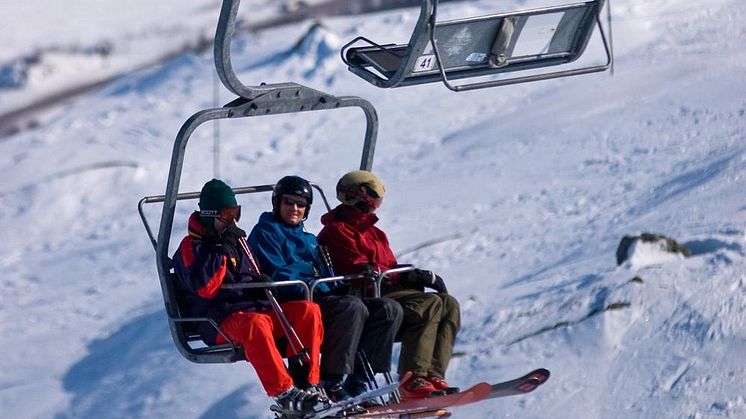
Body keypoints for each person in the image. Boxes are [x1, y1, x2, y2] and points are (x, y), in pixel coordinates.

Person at [172, 179, 329, 415]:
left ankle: (309, 384)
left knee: (308, 311)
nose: (232, 220)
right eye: (226, 214)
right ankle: (284, 394)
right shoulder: (191, 247)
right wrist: (218, 250)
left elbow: (250, 274)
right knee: (256, 324)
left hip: (253, 309)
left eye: (235, 213)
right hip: (218, 319)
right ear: (209, 214)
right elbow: (206, 288)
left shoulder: (237, 242)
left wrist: (261, 283)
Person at [248, 175, 403, 402]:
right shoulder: (265, 234)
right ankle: (331, 381)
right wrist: (318, 285)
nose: (295, 208)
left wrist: (336, 285)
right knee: (350, 308)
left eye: (301, 205)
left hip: (318, 295)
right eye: (289, 202)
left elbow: (326, 273)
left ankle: (360, 378)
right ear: (277, 203)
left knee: (388, 309)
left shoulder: (310, 240)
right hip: (292, 304)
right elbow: (279, 273)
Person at [317, 171, 461, 400]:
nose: (377, 204)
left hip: (388, 289)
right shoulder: (336, 231)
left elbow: (388, 265)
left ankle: (433, 374)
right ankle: (413, 378)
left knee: (449, 304)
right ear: (361, 195)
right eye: (375, 196)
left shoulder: (376, 233)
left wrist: (413, 275)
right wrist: (403, 277)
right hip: (368, 295)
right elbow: (359, 269)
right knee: (430, 304)